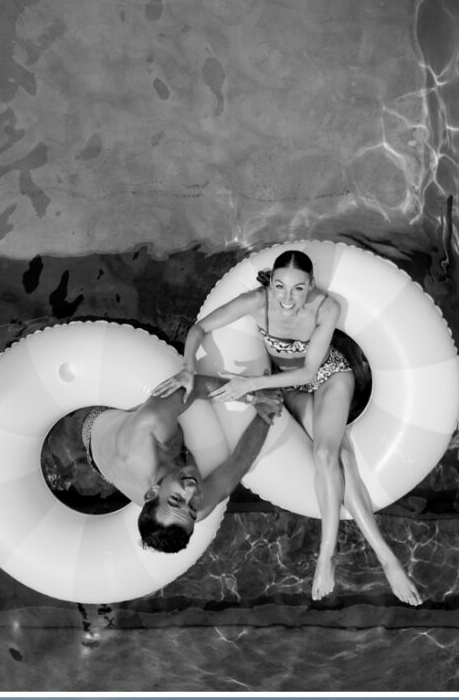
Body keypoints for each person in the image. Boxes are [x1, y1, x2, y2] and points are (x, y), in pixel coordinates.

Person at [180, 247, 420, 606]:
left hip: (329, 376)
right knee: (342, 456)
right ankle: (385, 558)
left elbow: (310, 370)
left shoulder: (326, 308)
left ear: (310, 285)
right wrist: (187, 366)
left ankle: (332, 556)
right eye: (279, 286)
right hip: (289, 388)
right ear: (271, 284)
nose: (286, 298)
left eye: (296, 288)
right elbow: (199, 328)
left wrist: (248, 385)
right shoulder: (256, 302)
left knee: (326, 452)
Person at [81, 375, 280, 551]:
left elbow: (194, 386)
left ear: (152, 493)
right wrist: (268, 410)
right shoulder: (192, 512)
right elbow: (240, 461)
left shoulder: (150, 425)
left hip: (95, 425)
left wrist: (254, 396)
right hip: (115, 464)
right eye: (192, 507)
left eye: (176, 499)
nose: (192, 491)